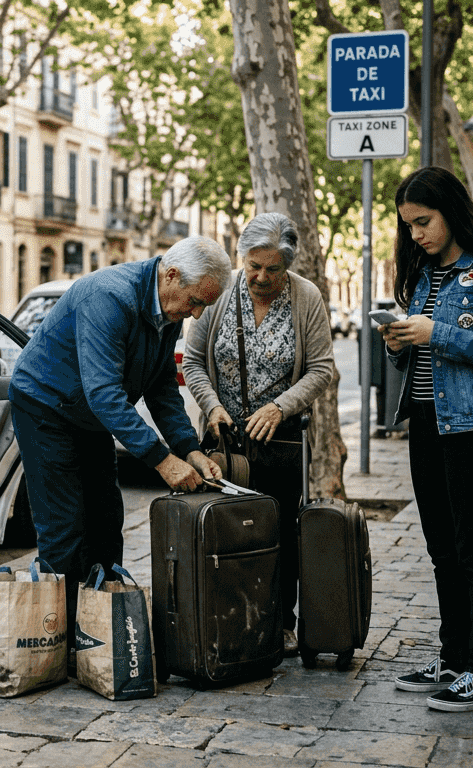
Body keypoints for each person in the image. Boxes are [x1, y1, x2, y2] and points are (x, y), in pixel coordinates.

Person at [8, 235, 228, 626]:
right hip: (45, 407)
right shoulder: (109, 297)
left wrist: (189, 450)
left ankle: (103, 625)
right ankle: (61, 635)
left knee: (106, 520)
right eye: (195, 301)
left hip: (87, 412)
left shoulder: (169, 310)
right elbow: (105, 394)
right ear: (171, 275)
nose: (196, 314)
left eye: (204, 306)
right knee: (64, 526)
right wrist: (163, 460)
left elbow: (162, 387)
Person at [376, 167, 473, 713]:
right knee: (443, 550)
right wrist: (398, 341)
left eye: (423, 221)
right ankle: (454, 658)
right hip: (426, 424)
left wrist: (435, 332)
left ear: (452, 210)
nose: (415, 234)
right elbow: (418, 360)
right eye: (408, 225)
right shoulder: (422, 275)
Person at [181, 212, 337, 657]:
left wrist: (280, 406)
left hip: (281, 441)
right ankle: (226, 619)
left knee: (280, 533)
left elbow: (321, 369)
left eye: (273, 268)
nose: (261, 277)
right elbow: (192, 361)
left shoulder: (306, 297)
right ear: (242, 257)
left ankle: (280, 623)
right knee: (226, 532)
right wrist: (212, 406)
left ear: (288, 265)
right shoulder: (219, 292)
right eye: (253, 266)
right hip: (225, 442)